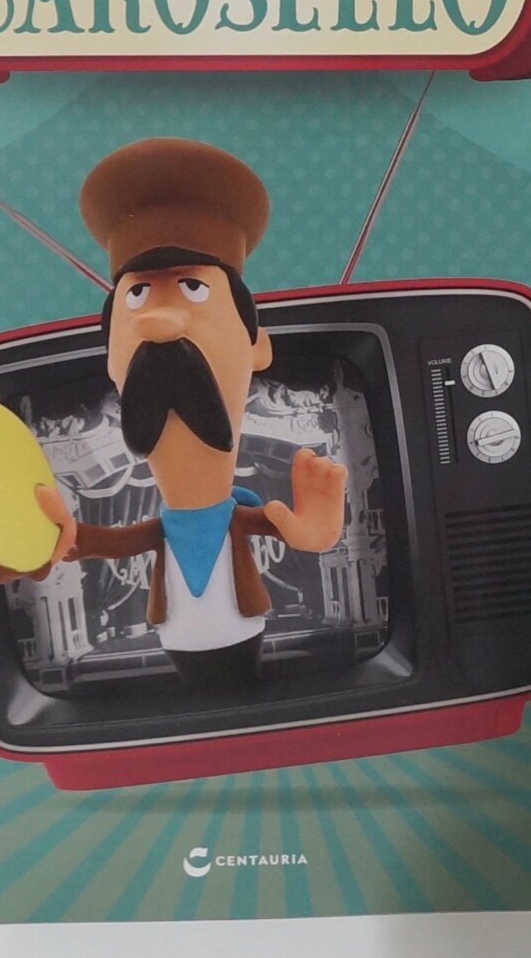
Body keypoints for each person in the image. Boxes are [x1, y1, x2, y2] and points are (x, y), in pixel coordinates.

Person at [34, 137, 346, 690]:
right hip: (176, 637)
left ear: (256, 347)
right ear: (111, 361)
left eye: (193, 288)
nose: (160, 323)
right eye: (137, 296)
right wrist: (59, 535)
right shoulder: (165, 527)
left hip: (240, 631)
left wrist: (320, 523)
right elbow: (103, 543)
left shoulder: (240, 517)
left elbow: (308, 537)